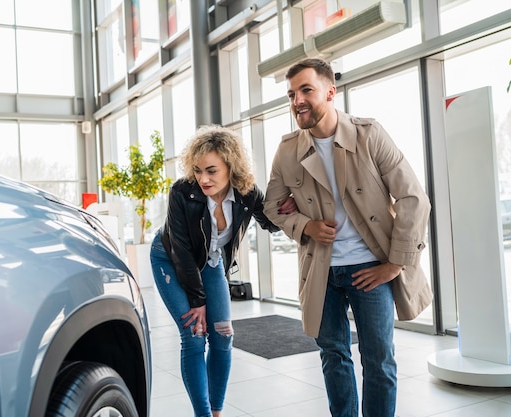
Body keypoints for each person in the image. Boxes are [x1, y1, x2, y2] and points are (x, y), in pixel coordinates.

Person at [263, 58, 433, 417]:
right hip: (320, 271)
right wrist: (305, 226)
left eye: (306, 90)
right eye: (291, 94)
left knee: (379, 360)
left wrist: (396, 263)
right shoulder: (288, 149)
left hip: (371, 267)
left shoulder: (369, 134)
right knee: (333, 356)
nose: (297, 101)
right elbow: (273, 206)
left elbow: (413, 198)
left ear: (330, 91)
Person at [150, 124, 296, 417]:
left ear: (231, 166)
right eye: (198, 170)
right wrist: (198, 302)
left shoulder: (247, 192)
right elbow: (181, 250)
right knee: (194, 334)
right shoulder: (182, 192)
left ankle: (217, 412)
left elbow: (269, 221)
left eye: (212, 171)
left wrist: (289, 206)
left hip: (212, 263)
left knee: (223, 335)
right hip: (171, 259)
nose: (203, 178)